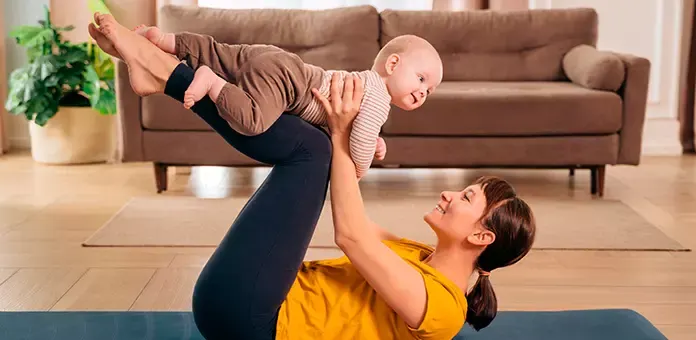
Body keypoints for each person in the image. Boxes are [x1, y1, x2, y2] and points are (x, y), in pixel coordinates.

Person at [87, 12, 536, 340]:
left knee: (315, 150)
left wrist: (344, 135)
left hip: (253, 321)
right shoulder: (419, 255)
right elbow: (354, 215)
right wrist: (343, 134)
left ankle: (169, 70)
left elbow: (352, 236)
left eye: (467, 198)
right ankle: (168, 68)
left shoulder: (442, 309)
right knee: (315, 146)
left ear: (482, 237)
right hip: (255, 295)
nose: (448, 193)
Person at [128, 24, 443, 179]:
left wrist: (374, 140)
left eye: (429, 91)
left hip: (282, 61)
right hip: (291, 84)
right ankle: (212, 82)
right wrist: (360, 168)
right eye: (421, 79)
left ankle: (168, 41)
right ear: (392, 65)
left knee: (223, 53)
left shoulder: (367, 86)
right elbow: (357, 140)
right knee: (253, 121)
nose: (423, 92)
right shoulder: (379, 98)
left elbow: (360, 128)